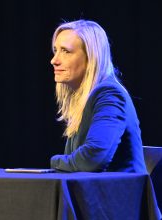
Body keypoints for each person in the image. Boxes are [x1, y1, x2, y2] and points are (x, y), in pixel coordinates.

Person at [49, 19, 147, 173]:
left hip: (119, 195)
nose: (54, 60)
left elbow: (92, 160)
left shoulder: (109, 95)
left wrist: (55, 161)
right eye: (55, 51)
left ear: (91, 58)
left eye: (66, 51)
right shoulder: (85, 98)